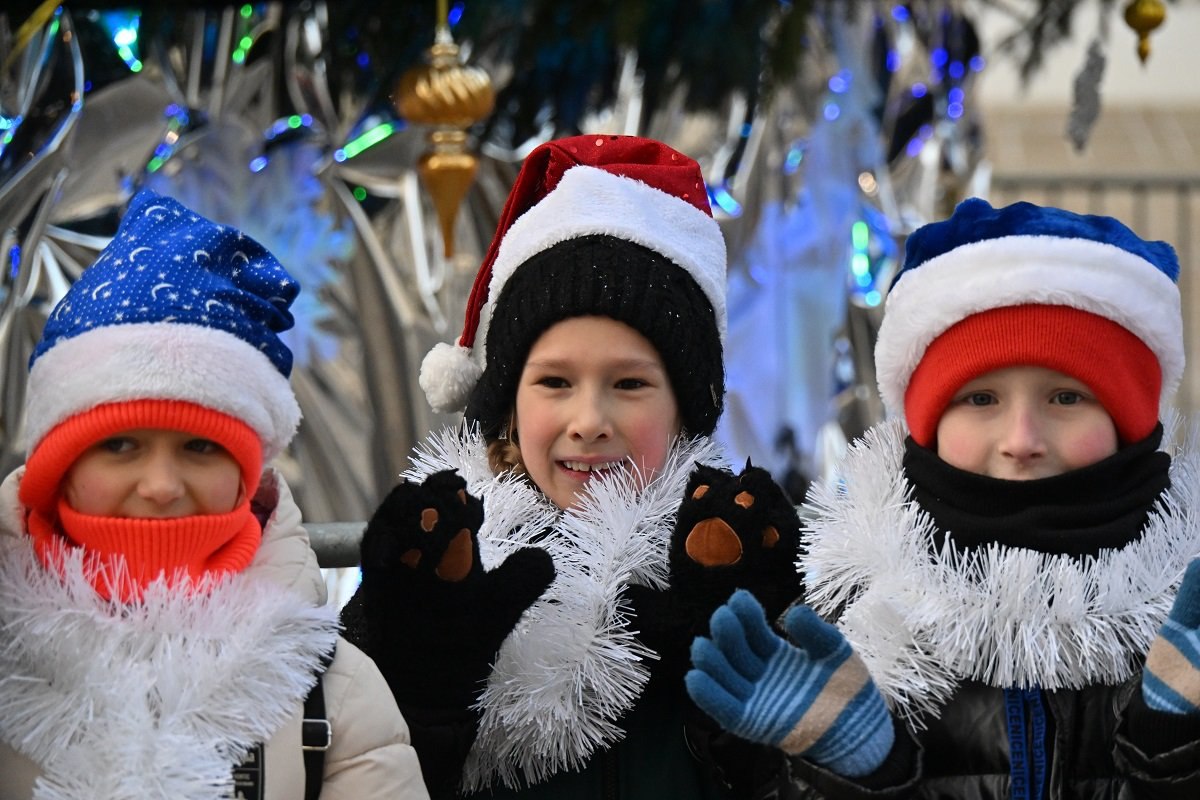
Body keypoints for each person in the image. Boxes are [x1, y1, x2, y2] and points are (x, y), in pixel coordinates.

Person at [340, 134, 805, 799]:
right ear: (506, 405)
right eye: (555, 382)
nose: (588, 419)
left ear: (685, 408)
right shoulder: (439, 561)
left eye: (630, 385)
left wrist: (735, 725)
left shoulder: (738, 559)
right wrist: (426, 689)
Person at [685, 197, 1200, 797]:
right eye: (981, 399)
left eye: (1067, 397)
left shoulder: (1183, 611)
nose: (1021, 440)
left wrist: (1175, 752)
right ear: (924, 421)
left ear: (1131, 420)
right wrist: (854, 771)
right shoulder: (844, 610)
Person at [0, 190, 429, 799]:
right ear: (57, 468)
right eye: (120, 445)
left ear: (248, 473)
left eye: (200, 448)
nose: (160, 486)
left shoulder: (333, 691)